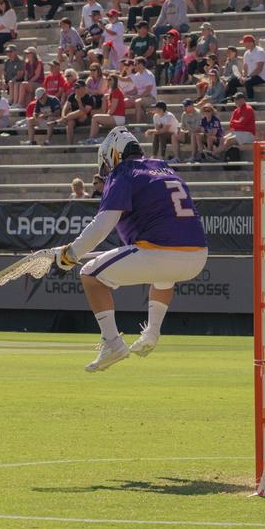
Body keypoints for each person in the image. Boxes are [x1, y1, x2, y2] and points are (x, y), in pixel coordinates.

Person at [49, 127, 207, 371]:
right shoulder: (164, 168)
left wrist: (70, 255)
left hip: (160, 251)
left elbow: (102, 225)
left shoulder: (124, 172)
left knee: (90, 275)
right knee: (164, 276)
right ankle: (152, 332)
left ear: (114, 154)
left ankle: (112, 342)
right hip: (197, 255)